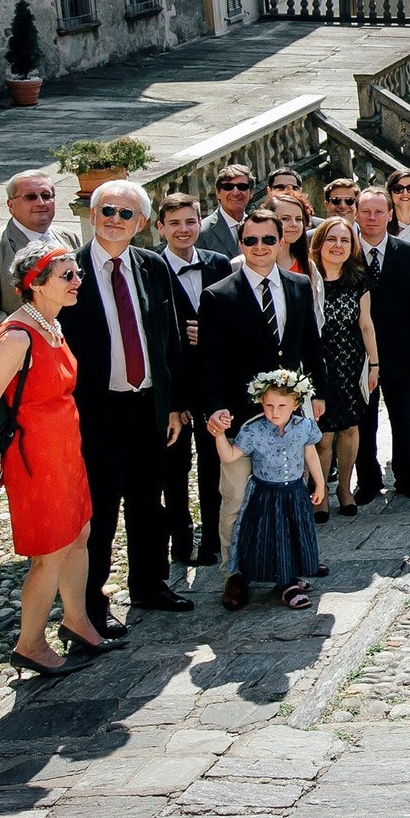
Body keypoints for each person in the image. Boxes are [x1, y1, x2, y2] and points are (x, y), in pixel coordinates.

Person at [0, 244, 110, 672]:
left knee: (79, 536)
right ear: (34, 284)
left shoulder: (50, 325)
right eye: (66, 275)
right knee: (49, 553)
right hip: (36, 458)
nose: (77, 281)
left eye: (76, 273)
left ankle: (77, 621)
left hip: (66, 450)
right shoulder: (17, 336)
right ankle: (30, 643)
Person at [64, 181, 191, 632]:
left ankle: (150, 584)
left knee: (148, 501)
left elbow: (170, 337)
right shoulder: (68, 271)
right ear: (93, 214)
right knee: (99, 509)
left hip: (148, 406)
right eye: (108, 211)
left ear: (140, 224)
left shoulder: (152, 266)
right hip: (97, 410)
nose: (115, 220)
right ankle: (90, 604)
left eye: (126, 214)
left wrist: (176, 404)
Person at [196, 212, 326, 577]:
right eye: (251, 240)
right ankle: (234, 572)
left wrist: (318, 393)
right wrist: (215, 408)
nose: (260, 248)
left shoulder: (299, 285)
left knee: (289, 494)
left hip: (288, 415)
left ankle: (290, 564)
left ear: (281, 242)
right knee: (237, 496)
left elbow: (311, 345)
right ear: (241, 244)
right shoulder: (219, 295)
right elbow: (209, 360)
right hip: (241, 416)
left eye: (268, 240)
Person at [203, 370, 326, 610]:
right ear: (261, 403)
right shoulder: (253, 431)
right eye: (269, 405)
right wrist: (219, 435)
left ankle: (292, 574)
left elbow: (310, 453)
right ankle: (285, 584)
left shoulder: (304, 427)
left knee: (294, 533)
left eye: (282, 405)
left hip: (295, 493)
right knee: (272, 536)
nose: (275, 411)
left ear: (296, 404)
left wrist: (319, 483)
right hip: (267, 495)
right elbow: (229, 457)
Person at [156, 192, 231, 565]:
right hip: (173, 388)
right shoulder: (151, 267)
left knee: (213, 463)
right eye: (174, 223)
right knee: (174, 469)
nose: (183, 230)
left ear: (200, 223)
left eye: (189, 221)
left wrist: (214, 333)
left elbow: (235, 315)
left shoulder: (220, 264)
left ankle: (214, 540)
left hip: (215, 384)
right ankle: (181, 543)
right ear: (160, 228)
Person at [353, 186, 410, 504]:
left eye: (378, 212)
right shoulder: (346, 252)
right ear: (356, 214)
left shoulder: (409, 252)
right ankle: (368, 480)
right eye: (365, 211)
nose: (372, 218)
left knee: (403, 419)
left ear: (389, 215)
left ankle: (406, 477)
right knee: (364, 419)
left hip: (401, 352)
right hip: (357, 353)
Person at [309, 218, 378, 519]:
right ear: (320, 244)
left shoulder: (359, 279)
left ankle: (345, 489)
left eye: (345, 240)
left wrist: (374, 364)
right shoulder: (306, 279)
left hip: (352, 364)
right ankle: (320, 492)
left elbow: (366, 324)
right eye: (332, 240)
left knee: (350, 428)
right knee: (324, 434)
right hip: (320, 365)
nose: (338, 246)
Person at [0, 171, 81, 340]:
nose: (40, 203)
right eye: (30, 197)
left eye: (46, 196)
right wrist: (27, 336)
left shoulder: (68, 238)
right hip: (21, 355)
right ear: (11, 205)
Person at [199, 163, 255, 258]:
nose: (235, 192)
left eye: (242, 187)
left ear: (251, 193)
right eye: (228, 187)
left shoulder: (259, 226)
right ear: (218, 193)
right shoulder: (202, 232)